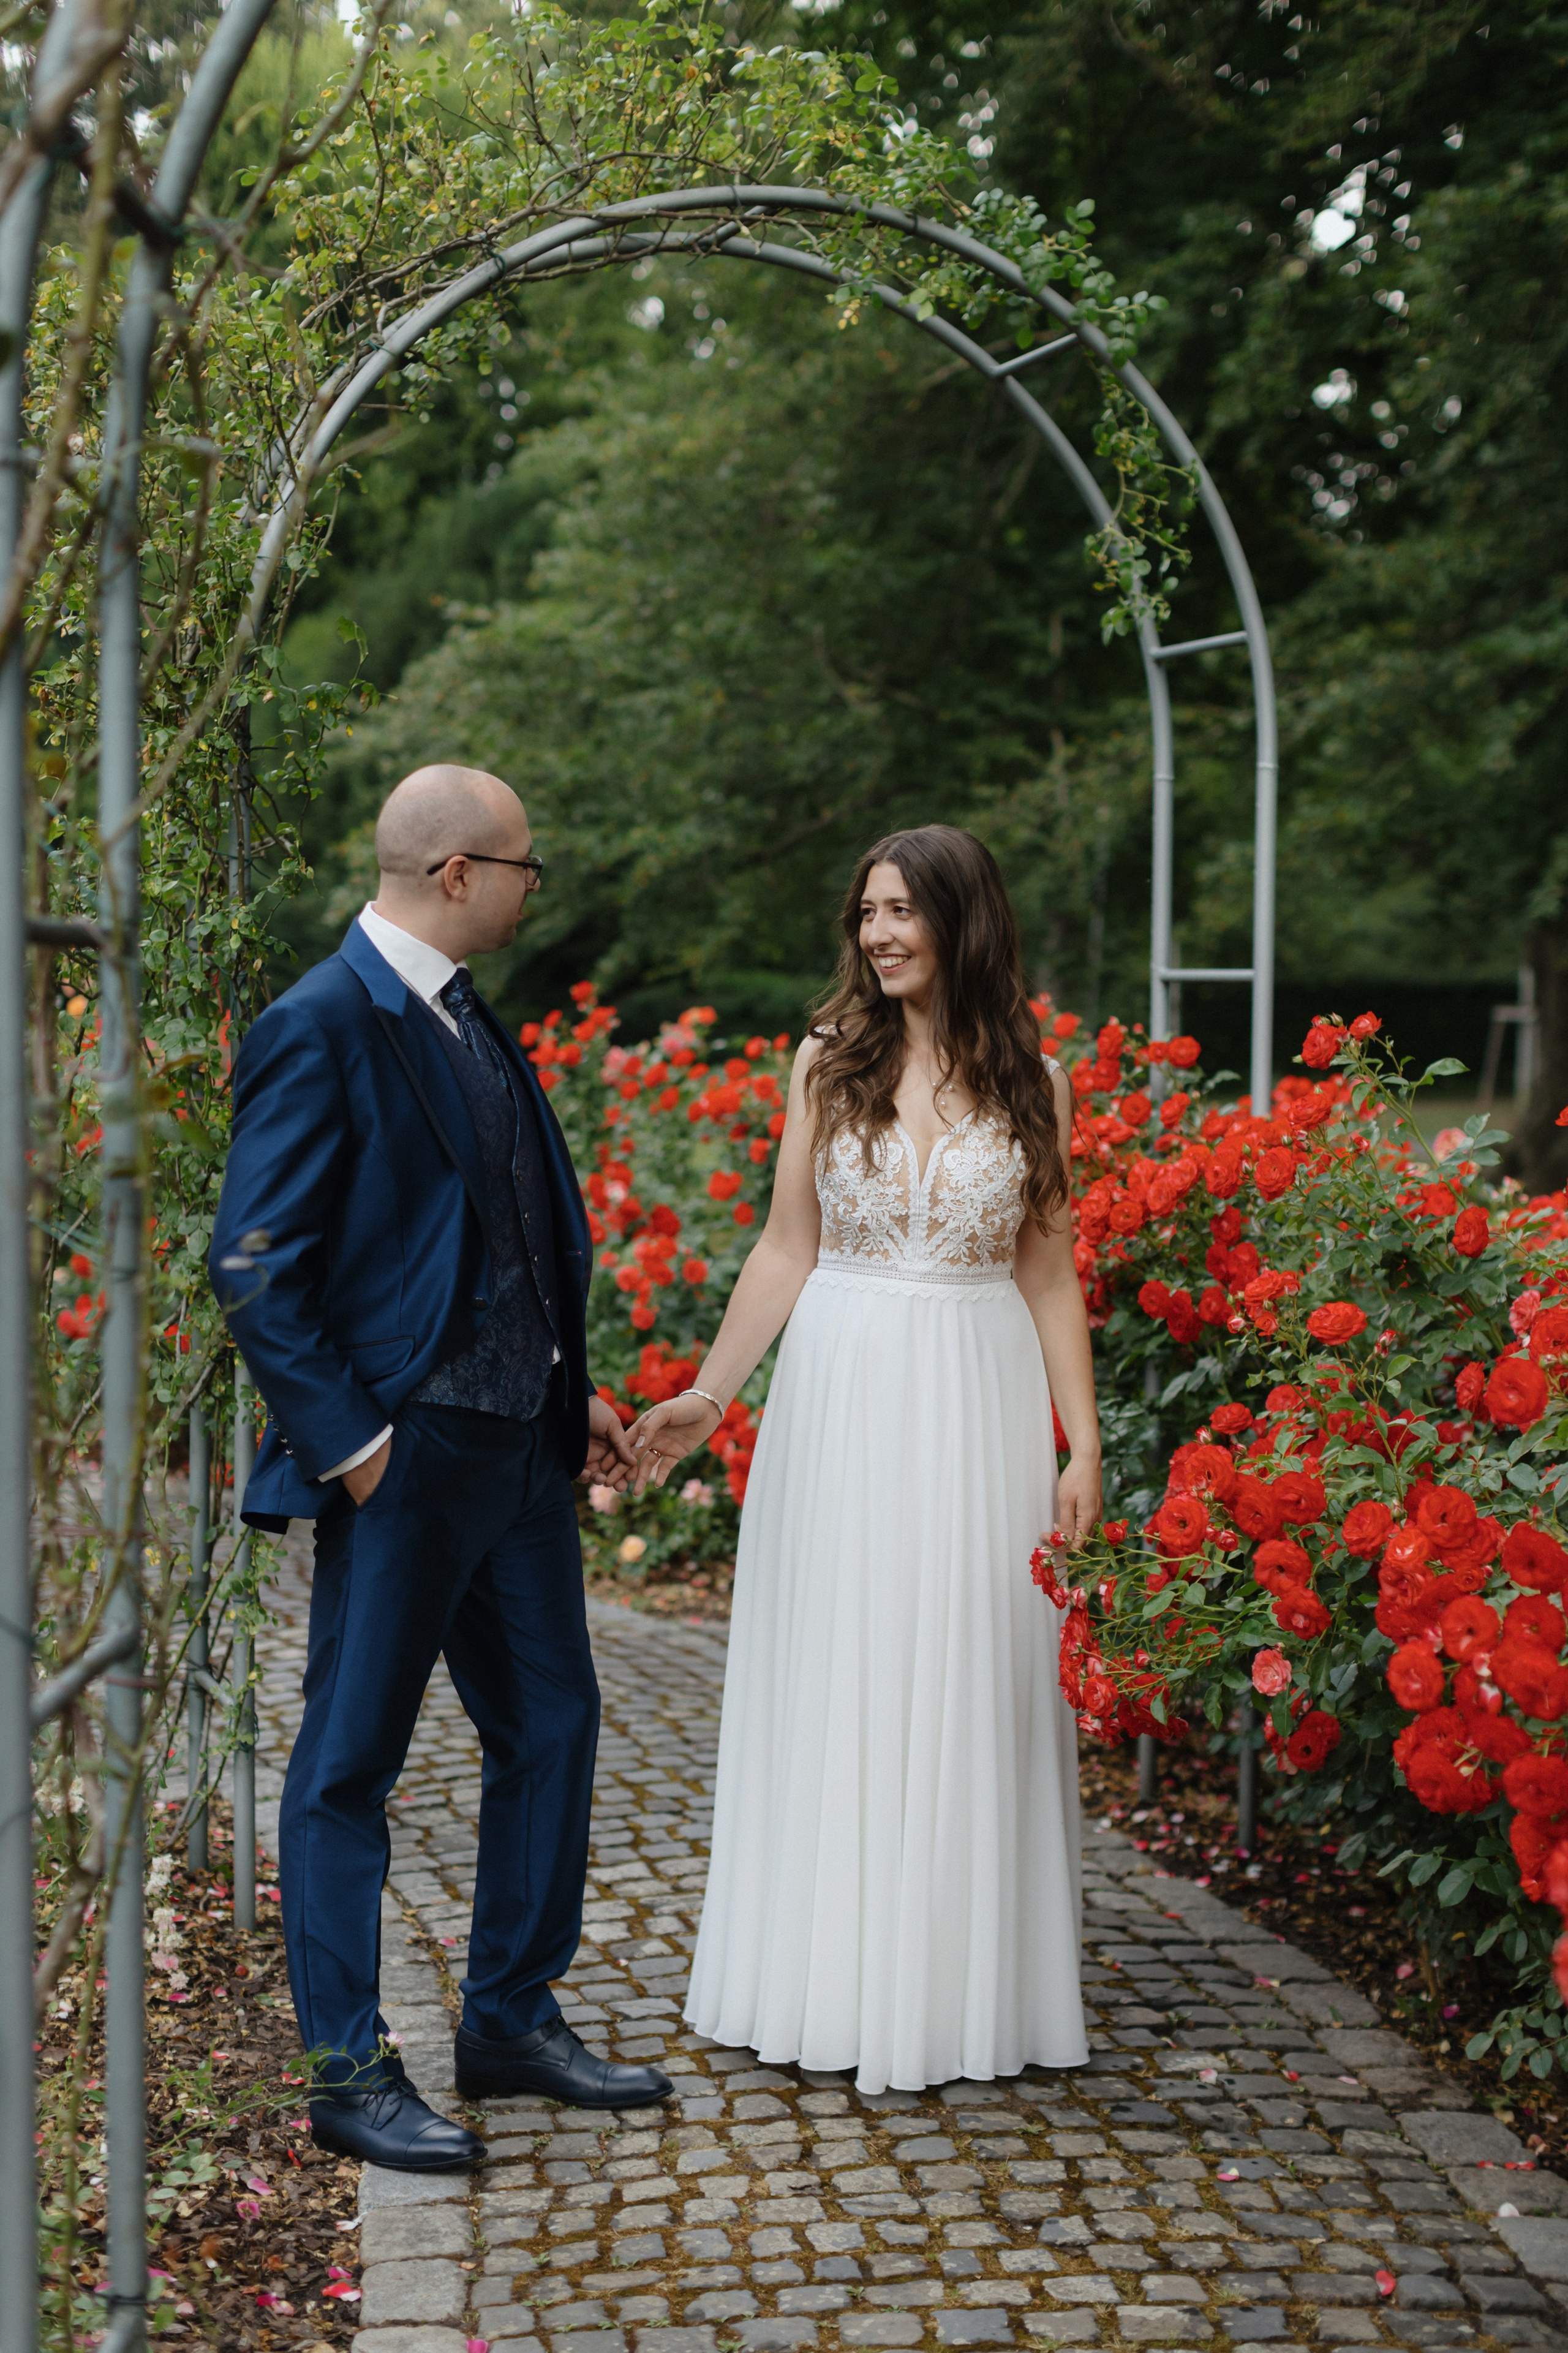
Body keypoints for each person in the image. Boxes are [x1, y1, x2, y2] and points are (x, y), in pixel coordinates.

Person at [208, 763, 672, 2172]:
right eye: (526, 865)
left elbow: (504, 1233)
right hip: (404, 1461)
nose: (538, 887)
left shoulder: (464, 1015)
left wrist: (565, 1394)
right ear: (459, 871)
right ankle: (348, 2073)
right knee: (349, 1762)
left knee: (552, 1726)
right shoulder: (322, 1019)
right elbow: (253, 1263)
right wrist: (357, 1448)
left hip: (522, 1447)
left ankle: (508, 2021)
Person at [627, 825, 1098, 2093]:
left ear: (961, 919)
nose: (879, 933)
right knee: (841, 1661)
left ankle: (954, 1985)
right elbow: (786, 1246)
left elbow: (1046, 1268)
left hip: (974, 1393)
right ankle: (819, 1976)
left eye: (902, 911)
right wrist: (710, 1396)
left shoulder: (1031, 1081)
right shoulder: (824, 1063)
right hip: (838, 1392)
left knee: (963, 1665)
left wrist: (1082, 1440)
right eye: (867, 912)